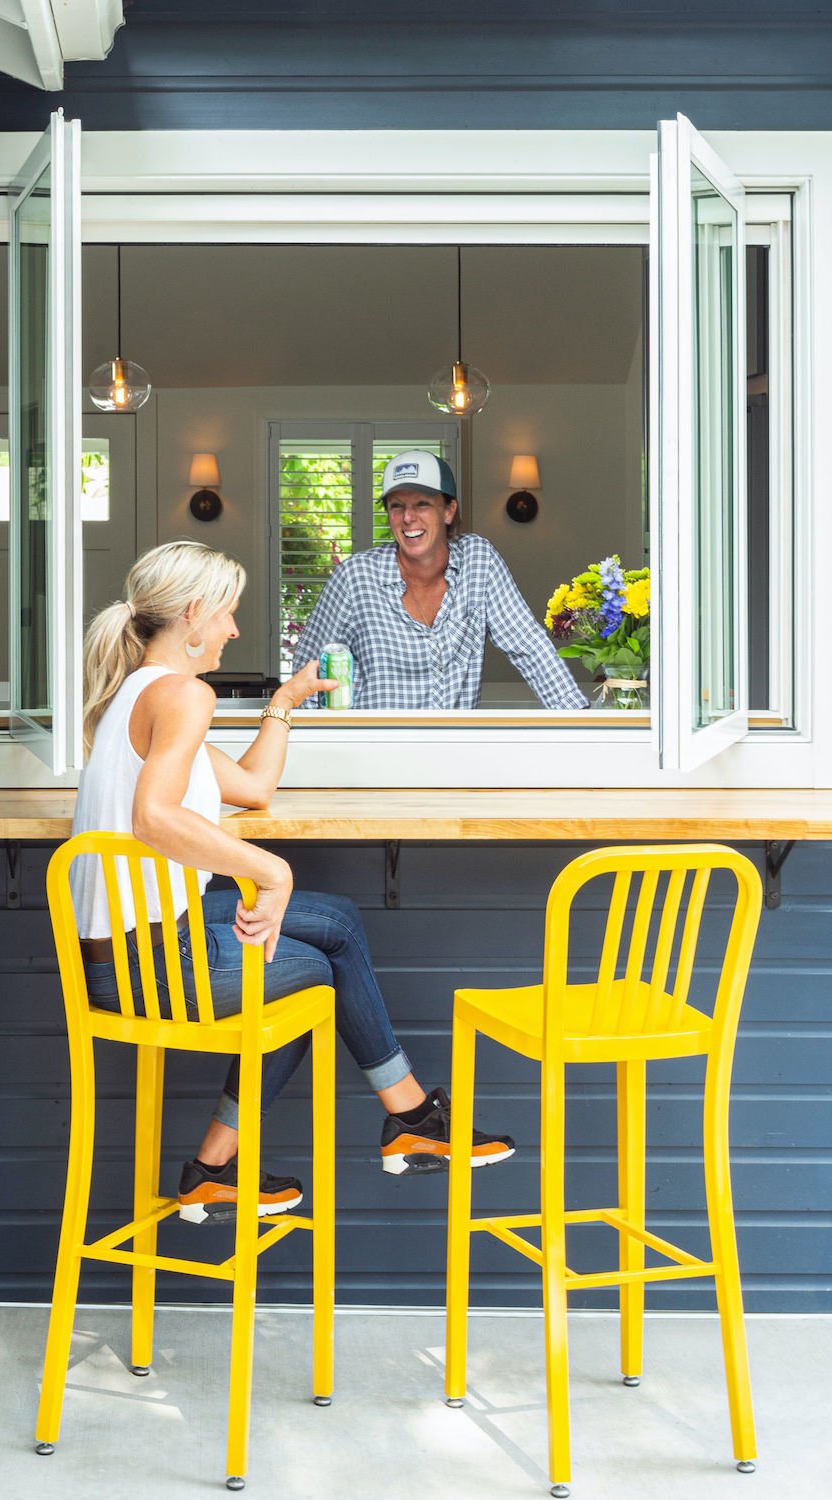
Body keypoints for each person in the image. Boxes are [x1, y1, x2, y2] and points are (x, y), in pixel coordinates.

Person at [70, 538, 513, 1224]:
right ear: (193, 613)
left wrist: (284, 701)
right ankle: (227, 1165)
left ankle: (408, 1120)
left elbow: (251, 787)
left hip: (128, 952)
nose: (234, 629)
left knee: (335, 921)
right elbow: (153, 817)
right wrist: (271, 872)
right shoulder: (183, 695)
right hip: (153, 966)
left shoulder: (140, 691)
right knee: (312, 977)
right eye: (227, 614)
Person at [292, 450, 588, 711]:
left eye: (422, 504)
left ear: (448, 511)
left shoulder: (478, 561)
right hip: (371, 749)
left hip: (453, 751)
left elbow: (529, 646)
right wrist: (315, 745)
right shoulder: (355, 576)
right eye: (396, 506)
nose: (408, 518)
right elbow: (305, 672)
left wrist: (581, 722)